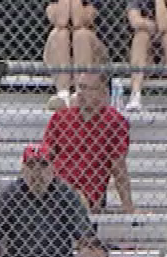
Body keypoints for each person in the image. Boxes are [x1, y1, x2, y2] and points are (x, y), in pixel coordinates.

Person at [43, 73, 135, 213]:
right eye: (79, 87)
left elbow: (118, 166)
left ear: (103, 93)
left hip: (89, 192)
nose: (80, 93)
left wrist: (127, 205)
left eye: (87, 88)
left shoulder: (115, 122)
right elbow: (45, 156)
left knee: (78, 199)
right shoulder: (60, 118)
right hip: (55, 189)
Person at [125, 0, 167, 113]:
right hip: (146, 53)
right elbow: (134, 21)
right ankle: (135, 95)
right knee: (141, 36)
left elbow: (164, 24)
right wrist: (155, 27)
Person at [44, 0, 102, 107]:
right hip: (57, 53)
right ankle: (63, 93)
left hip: (90, 52)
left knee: (81, 34)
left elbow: (78, 22)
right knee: (60, 33)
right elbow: (61, 22)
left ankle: (80, 91)